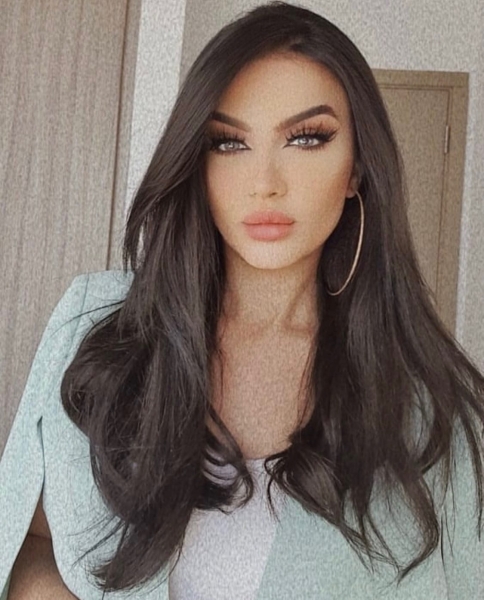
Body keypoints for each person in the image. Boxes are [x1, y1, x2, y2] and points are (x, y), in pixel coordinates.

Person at [2, 1, 484, 598]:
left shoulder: (430, 412)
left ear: (357, 168)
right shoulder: (96, 325)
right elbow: (34, 542)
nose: (265, 183)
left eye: (306, 138)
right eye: (229, 143)